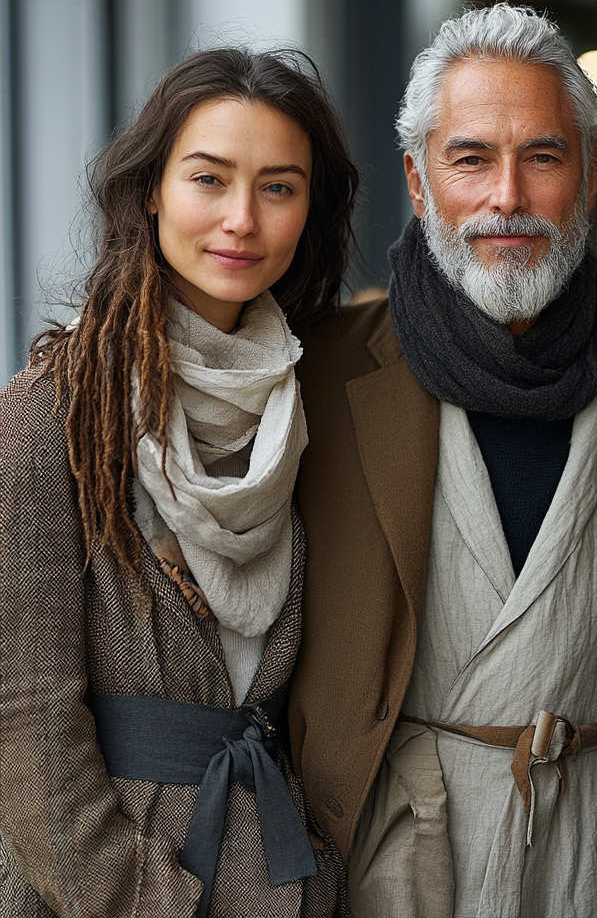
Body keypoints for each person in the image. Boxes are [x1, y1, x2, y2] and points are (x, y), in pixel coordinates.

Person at [288, 3, 597, 918]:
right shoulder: (321, 368)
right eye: (470, 158)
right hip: (398, 864)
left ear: (591, 176)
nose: (507, 196)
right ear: (418, 178)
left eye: (544, 158)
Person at [0, 47, 358, 918]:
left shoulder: (309, 407)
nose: (241, 219)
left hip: (277, 873)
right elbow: (26, 717)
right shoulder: (50, 418)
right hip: (107, 887)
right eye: (209, 179)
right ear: (152, 188)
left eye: (278, 187)